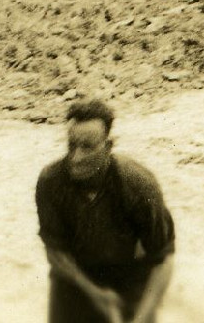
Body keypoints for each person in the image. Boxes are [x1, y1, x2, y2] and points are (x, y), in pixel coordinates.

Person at [35, 98, 175, 323]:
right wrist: (95, 294)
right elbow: (55, 251)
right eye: (71, 145)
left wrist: (141, 317)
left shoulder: (138, 184)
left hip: (129, 281)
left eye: (88, 146)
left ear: (108, 146)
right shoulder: (51, 181)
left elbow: (162, 258)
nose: (76, 157)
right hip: (74, 281)